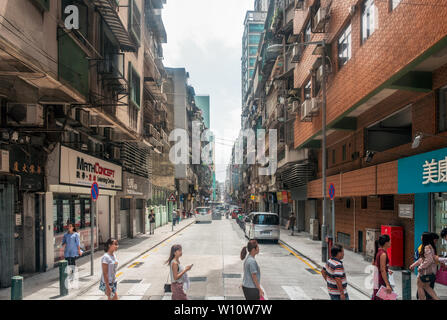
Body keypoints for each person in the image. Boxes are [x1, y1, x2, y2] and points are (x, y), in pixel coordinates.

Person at [410, 233, 440, 300]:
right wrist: (414, 265)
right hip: (429, 271)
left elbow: (428, 260)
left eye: (422, 237)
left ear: (425, 238)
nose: (421, 238)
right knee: (426, 287)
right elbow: (423, 259)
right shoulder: (431, 247)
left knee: (420, 285)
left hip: (425, 271)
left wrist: (421, 267)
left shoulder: (426, 247)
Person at [372, 234, 393, 300]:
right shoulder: (383, 254)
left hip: (378, 279)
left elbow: (376, 265)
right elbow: (382, 270)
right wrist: (387, 284)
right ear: (386, 243)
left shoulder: (379, 251)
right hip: (381, 280)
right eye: (390, 241)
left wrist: (387, 269)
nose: (390, 243)